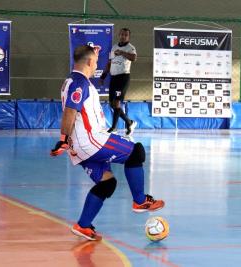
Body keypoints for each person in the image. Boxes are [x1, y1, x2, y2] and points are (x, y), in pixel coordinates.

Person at [51, 45, 164, 241]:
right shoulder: (79, 83)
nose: (97, 63)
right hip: (91, 141)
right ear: (88, 62)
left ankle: (83, 225)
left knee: (107, 183)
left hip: (81, 147)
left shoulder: (74, 81)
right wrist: (63, 140)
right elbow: (70, 111)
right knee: (136, 152)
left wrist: (67, 142)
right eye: (95, 59)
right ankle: (139, 201)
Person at [100, 28, 137, 136]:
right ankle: (129, 122)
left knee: (117, 102)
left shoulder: (130, 48)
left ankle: (114, 127)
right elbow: (110, 62)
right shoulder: (114, 47)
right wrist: (103, 76)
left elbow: (134, 58)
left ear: (128, 37)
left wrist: (122, 52)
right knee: (112, 104)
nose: (123, 36)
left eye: (126, 35)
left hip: (123, 78)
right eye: (122, 34)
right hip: (113, 78)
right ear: (119, 35)